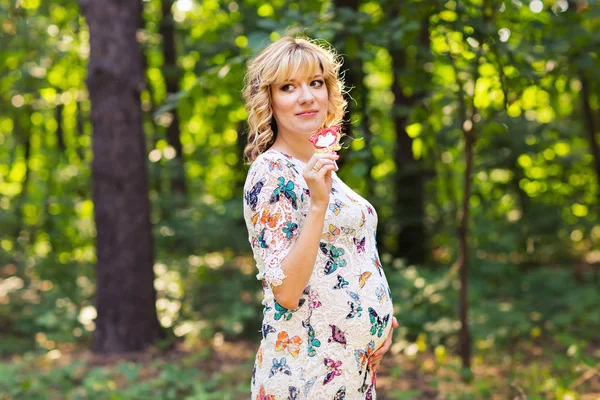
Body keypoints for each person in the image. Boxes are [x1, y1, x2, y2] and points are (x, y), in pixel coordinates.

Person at [242, 36, 399, 400]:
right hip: (305, 375)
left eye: (315, 83)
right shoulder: (272, 173)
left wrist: (379, 320)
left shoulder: (316, 166)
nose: (307, 96)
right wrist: (317, 204)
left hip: (350, 370)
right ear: (269, 100)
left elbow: (346, 255)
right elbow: (286, 291)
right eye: (288, 87)